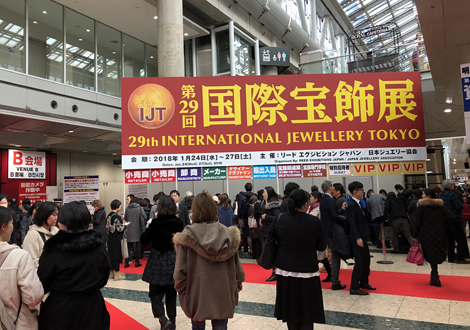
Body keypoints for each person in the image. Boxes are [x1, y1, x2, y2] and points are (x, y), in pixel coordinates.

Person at [173, 192, 245, 330]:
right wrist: (236, 287)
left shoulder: (187, 235)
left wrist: (182, 292)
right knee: (220, 326)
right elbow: (238, 270)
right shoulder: (228, 233)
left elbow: (180, 273)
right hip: (224, 290)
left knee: (197, 325)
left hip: (197, 292)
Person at [37, 201, 111, 330]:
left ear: (62, 220)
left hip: (61, 307)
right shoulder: (98, 245)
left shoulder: (54, 248)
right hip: (92, 305)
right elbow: (104, 275)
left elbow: (43, 280)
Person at [273, 189, 327, 330]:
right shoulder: (314, 222)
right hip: (307, 271)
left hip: (285, 271)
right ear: (305, 204)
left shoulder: (280, 219)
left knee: (290, 311)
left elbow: (271, 240)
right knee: (307, 311)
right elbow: (321, 246)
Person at [140, 195, 184, 330]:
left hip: (157, 260)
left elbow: (144, 240)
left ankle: (163, 319)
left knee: (155, 294)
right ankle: (172, 321)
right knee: (171, 293)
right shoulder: (178, 222)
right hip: (173, 260)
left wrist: (148, 228)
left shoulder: (155, 223)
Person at [0, 206, 44, 330]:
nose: (12, 227)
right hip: (17, 322)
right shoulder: (19, 256)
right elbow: (34, 297)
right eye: (11, 223)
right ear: (3, 226)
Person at [411, 189, 451, 287]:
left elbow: (417, 222)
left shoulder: (422, 208)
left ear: (428, 196)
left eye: (423, 194)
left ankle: (435, 276)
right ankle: (435, 275)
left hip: (426, 234)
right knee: (435, 253)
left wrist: (414, 235)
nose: (422, 196)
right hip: (439, 234)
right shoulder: (440, 207)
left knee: (430, 253)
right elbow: (450, 217)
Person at [347, 181, 376, 295]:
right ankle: (354, 287)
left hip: (363, 237)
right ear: (355, 191)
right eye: (361, 190)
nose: (363, 192)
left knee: (366, 261)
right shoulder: (352, 205)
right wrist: (358, 237)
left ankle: (364, 282)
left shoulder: (359, 203)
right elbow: (352, 224)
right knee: (359, 262)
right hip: (357, 239)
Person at [319, 180, 347, 290]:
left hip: (327, 231)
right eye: (332, 186)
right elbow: (335, 215)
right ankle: (335, 281)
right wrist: (342, 210)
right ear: (329, 188)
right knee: (336, 255)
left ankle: (335, 280)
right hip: (333, 231)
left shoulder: (324, 199)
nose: (333, 188)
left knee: (335, 255)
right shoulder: (329, 200)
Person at [439, 180, 470, 263]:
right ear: (451, 186)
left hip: (445, 220)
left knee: (450, 239)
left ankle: (450, 257)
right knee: (460, 238)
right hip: (455, 219)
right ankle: (460, 257)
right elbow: (459, 206)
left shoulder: (440, 194)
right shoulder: (453, 194)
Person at [22, 202, 59, 268]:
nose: (56, 218)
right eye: (53, 215)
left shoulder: (56, 231)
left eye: (57, 215)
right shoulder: (33, 234)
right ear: (44, 215)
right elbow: (32, 261)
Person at [260, 186, 282, 282]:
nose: (263, 194)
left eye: (264, 192)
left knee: (272, 252)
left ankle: (275, 272)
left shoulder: (274, 205)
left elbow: (277, 217)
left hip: (272, 232)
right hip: (267, 230)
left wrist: (266, 217)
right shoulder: (265, 203)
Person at [309, 191, 331, 282]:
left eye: (311, 197)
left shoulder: (319, 208)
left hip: (317, 236)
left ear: (316, 198)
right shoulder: (310, 208)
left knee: (319, 257)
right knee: (322, 257)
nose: (310, 198)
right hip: (312, 236)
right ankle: (331, 274)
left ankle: (313, 277)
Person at [124, 195, 147, 268]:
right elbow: (145, 217)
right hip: (138, 230)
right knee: (137, 247)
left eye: (127, 199)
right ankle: (137, 262)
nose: (126, 201)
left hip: (129, 230)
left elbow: (126, 219)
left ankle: (126, 262)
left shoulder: (127, 209)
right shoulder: (140, 208)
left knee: (128, 247)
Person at [107, 199, 126, 281]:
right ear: (117, 207)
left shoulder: (109, 215)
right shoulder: (116, 216)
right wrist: (125, 225)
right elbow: (120, 228)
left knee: (111, 255)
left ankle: (111, 273)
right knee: (117, 255)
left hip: (109, 238)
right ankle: (117, 274)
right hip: (116, 238)